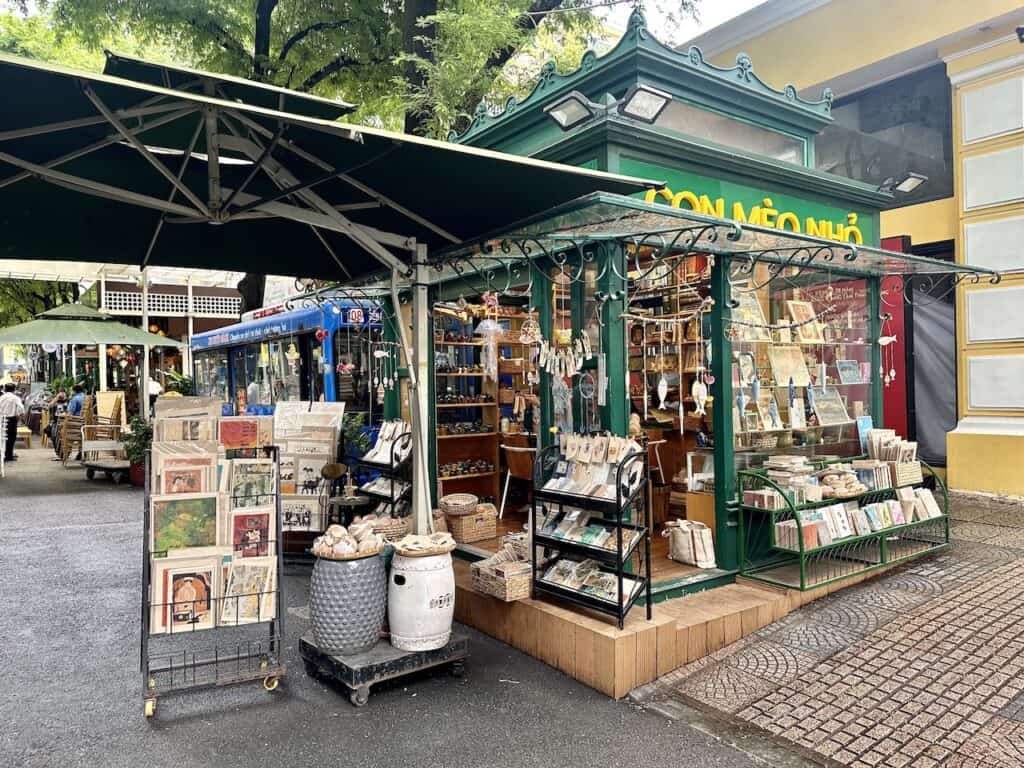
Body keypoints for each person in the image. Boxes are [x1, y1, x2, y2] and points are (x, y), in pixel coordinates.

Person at [0, 383, 26, 463]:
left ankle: (2, 454)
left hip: (1, 419)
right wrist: (19, 416)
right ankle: (9, 455)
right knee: (11, 438)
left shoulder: (1, 398)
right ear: (14, 390)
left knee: (2, 437)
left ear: (5, 389)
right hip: (11, 420)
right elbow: (21, 408)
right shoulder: (15, 398)